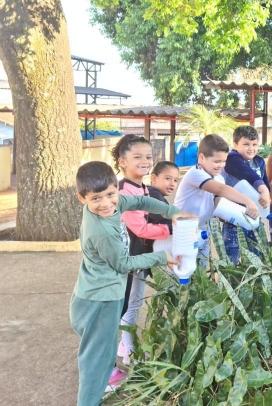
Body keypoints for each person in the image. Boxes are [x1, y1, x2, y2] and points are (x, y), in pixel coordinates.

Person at [70, 161, 195, 405]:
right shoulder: (102, 231)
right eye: (96, 199)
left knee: (98, 355)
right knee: (97, 363)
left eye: (110, 194)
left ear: (117, 189)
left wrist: (171, 211)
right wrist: (162, 257)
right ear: (81, 198)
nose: (106, 203)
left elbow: (140, 201)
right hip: (99, 301)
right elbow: (123, 264)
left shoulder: (113, 204)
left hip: (92, 294)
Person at [110, 135, 172, 369]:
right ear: (122, 161)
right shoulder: (125, 190)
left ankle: (127, 346)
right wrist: (170, 227)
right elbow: (141, 228)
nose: (145, 161)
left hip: (139, 255)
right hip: (130, 257)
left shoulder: (143, 187)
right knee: (131, 304)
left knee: (134, 302)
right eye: (137, 157)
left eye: (148, 156)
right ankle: (128, 351)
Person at [174, 134, 259, 260]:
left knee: (201, 273)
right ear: (201, 157)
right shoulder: (195, 173)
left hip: (203, 232)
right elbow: (221, 189)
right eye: (217, 161)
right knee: (183, 272)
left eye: (224, 161)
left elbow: (219, 202)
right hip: (184, 232)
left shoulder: (219, 177)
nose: (221, 165)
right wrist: (248, 201)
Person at [221, 125, 271, 263]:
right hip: (232, 219)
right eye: (246, 144)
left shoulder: (259, 161)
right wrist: (264, 190)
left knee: (257, 257)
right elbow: (246, 173)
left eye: (254, 144)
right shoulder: (231, 158)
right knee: (231, 260)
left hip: (254, 217)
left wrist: (267, 196)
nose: (251, 148)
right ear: (235, 145)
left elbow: (265, 181)